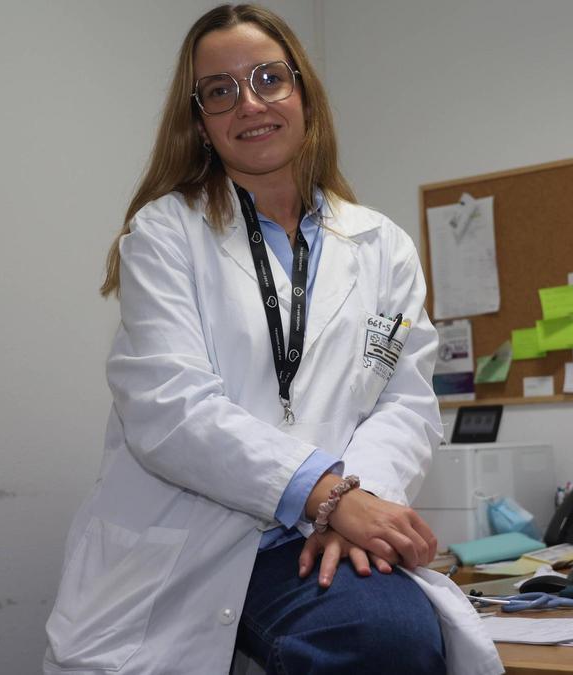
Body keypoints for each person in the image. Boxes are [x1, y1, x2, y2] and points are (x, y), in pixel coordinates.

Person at [42, 5, 502, 674]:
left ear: (303, 93)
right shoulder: (166, 233)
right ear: (199, 121)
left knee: (389, 633)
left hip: (323, 532)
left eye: (268, 78)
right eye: (220, 91)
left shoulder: (383, 246)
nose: (248, 103)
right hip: (191, 539)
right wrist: (327, 496)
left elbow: (402, 403)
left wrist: (354, 506)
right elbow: (170, 409)